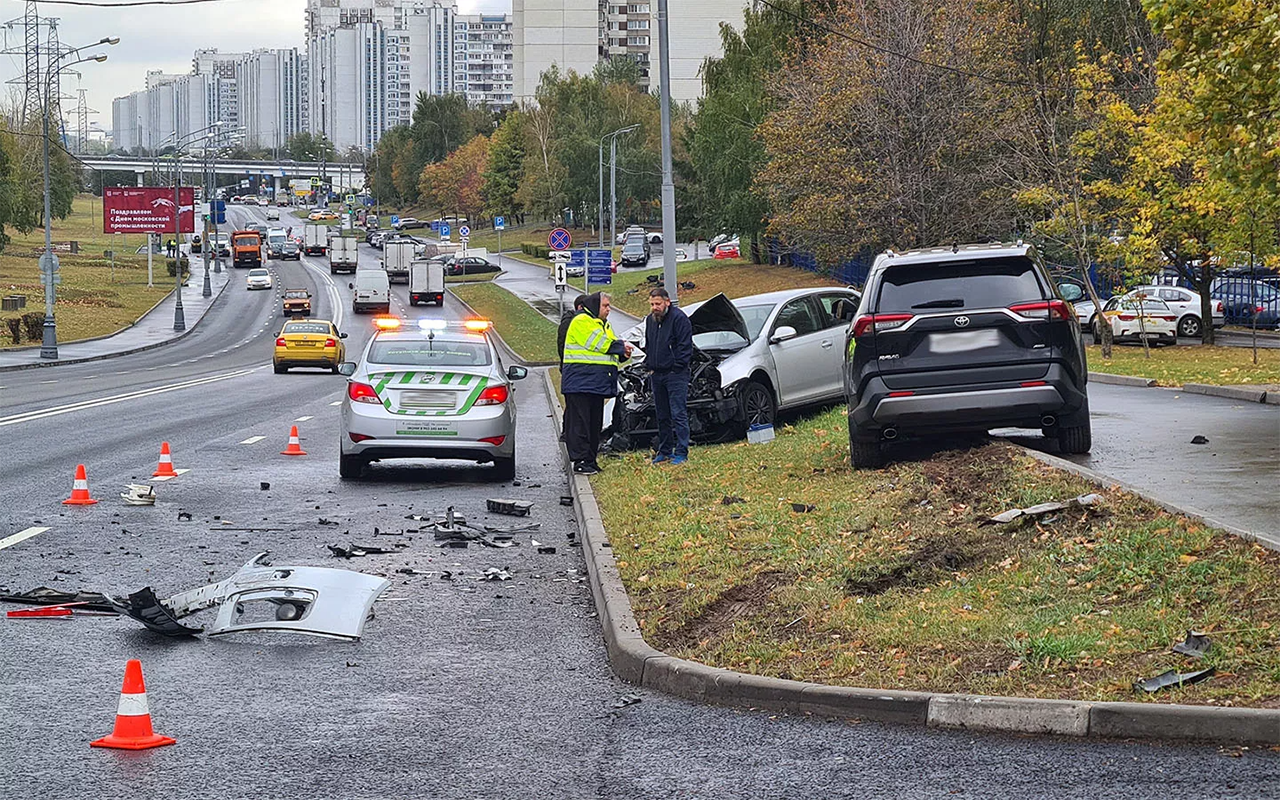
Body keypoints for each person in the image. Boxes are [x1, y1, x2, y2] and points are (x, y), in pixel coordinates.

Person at [561, 292, 632, 475]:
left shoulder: (603, 325)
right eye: (605, 306)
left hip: (595, 383)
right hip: (580, 382)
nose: (609, 310)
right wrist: (620, 347)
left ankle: (590, 459)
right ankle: (581, 460)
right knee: (581, 424)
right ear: (594, 306)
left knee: (594, 424)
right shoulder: (581, 321)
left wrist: (622, 354)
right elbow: (600, 344)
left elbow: (608, 350)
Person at [644, 288, 693, 465]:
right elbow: (649, 344)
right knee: (662, 414)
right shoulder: (650, 320)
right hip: (657, 374)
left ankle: (681, 451)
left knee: (678, 412)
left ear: (667, 302)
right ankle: (665, 450)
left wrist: (677, 367)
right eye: (652, 304)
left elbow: (685, 347)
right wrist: (649, 365)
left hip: (675, 375)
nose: (655, 307)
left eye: (658, 304)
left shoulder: (679, 319)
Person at [557, 294, 589, 443]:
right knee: (573, 404)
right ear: (581, 307)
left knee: (573, 404)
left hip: (571, 368)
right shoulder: (572, 322)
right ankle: (569, 434)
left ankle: (568, 433)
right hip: (573, 369)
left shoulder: (568, 320)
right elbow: (563, 345)